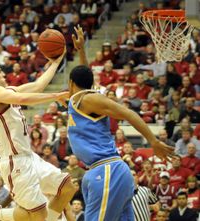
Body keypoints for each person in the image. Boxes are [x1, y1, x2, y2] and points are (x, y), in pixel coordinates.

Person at [67, 25, 174, 221]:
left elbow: (129, 113)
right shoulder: (84, 97)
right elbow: (85, 77)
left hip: (107, 170)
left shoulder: (89, 100)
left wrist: (153, 141)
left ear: (70, 82)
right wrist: (81, 50)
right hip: (105, 171)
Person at [0, 49, 76, 221]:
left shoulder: (7, 92)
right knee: (37, 215)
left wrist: (56, 62)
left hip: (29, 157)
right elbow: (23, 99)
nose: (3, 74)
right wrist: (55, 96)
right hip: (15, 162)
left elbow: (37, 86)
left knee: (67, 187)